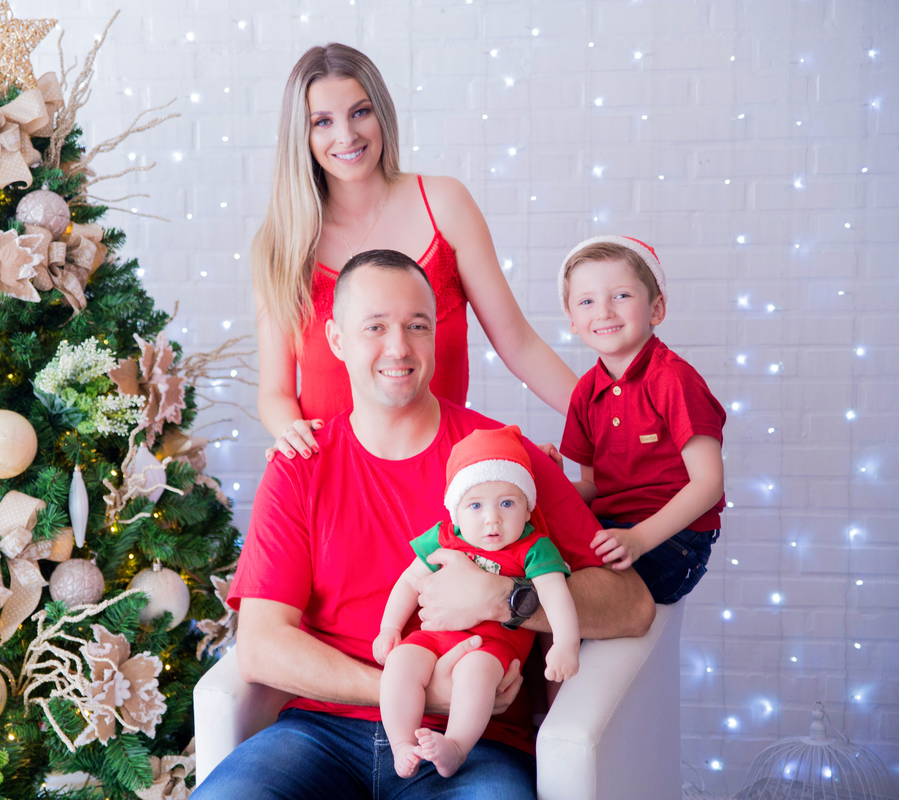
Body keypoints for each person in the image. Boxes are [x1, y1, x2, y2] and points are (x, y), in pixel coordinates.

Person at [193, 250, 655, 799]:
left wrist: (505, 599)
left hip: (475, 742)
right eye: (375, 327)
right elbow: (261, 646)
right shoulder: (300, 466)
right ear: (337, 339)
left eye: (417, 326)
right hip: (318, 734)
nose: (399, 348)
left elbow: (632, 605)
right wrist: (412, 691)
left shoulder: (504, 461)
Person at [252, 43, 577, 462]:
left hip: (442, 473)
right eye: (323, 121)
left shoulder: (444, 205)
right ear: (303, 134)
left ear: (382, 114)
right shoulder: (282, 244)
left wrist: (603, 419)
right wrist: (290, 431)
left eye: (360, 112)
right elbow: (276, 391)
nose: (346, 135)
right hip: (333, 471)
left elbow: (520, 345)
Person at [374, 425, 579, 780]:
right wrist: (389, 627)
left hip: (492, 646)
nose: (492, 518)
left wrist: (565, 644)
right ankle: (402, 744)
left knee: (476, 672)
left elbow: (556, 595)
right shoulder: (445, 537)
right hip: (434, 637)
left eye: (507, 503)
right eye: (475, 505)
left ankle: (456, 746)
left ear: (527, 509)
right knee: (401, 661)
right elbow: (408, 580)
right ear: (456, 512)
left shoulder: (533, 547)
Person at [543, 236, 726, 605]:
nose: (604, 312)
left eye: (621, 296)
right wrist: (548, 487)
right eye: (587, 301)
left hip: (675, 540)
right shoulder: (586, 392)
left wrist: (639, 538)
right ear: (573, 320)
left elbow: (709, 484)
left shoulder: (673, 380)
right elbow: (595, 487)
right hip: (612, 529)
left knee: (559, 588)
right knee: (525, 554)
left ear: (656, 309)